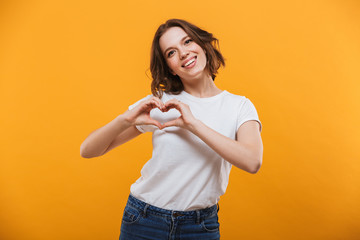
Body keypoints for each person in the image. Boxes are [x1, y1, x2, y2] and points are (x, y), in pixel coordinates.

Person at [80, 18, 263, 240]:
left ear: (203, 45)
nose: (183, 53)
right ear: (170, 68)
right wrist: (125, 119)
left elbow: (252, 161)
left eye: (187, 42)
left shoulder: (239, 106)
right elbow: (88, 150)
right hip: (144, 220)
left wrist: (193, 124)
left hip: (200, 227)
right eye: (171, 52)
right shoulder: (162, 103)